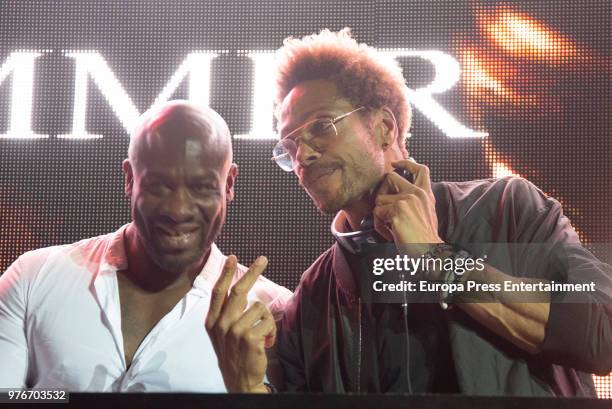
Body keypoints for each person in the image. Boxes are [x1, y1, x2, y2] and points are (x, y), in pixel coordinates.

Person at [211, 28, 612, 396]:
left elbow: (602, 333)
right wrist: (246, 386)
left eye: (321, 127)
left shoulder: (508, 206)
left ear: (385, 127)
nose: (304, 156)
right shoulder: (313, 295)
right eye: (291, 147)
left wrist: (437, 259)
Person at [0, 100, 292, 392]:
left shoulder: (275, 311)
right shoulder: (32, 279)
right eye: (158, 185)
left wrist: (249, 391)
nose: (178, 210)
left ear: (229, 184)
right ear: (129, 178)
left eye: (201, 187)